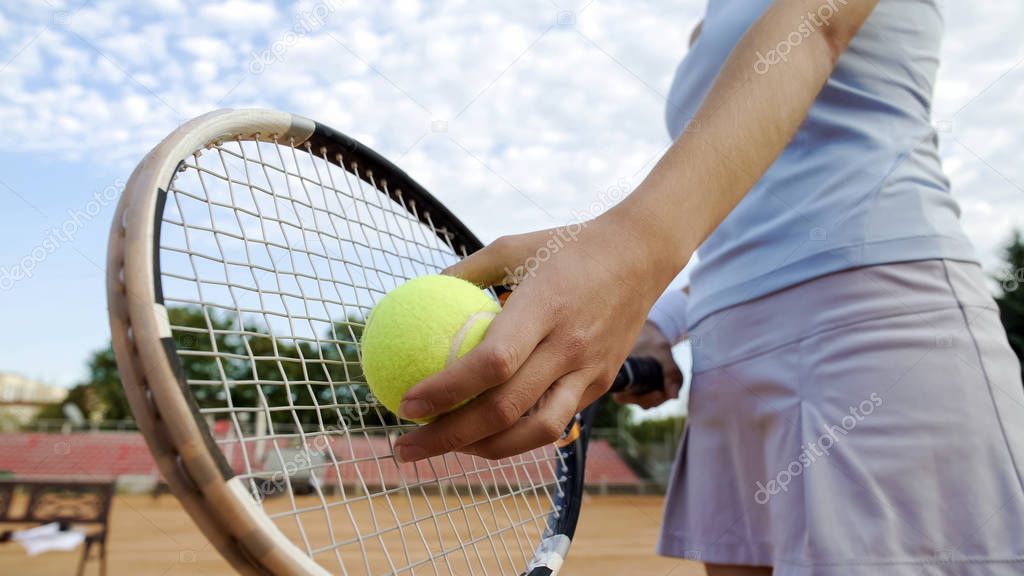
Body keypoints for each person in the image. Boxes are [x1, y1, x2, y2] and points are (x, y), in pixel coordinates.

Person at [392, 0, 1024, 574]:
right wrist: (663, 324)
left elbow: (817, 29)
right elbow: (741, 209)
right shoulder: (706, 24)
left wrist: (632, 251)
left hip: (874, 324)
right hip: (729, 360)